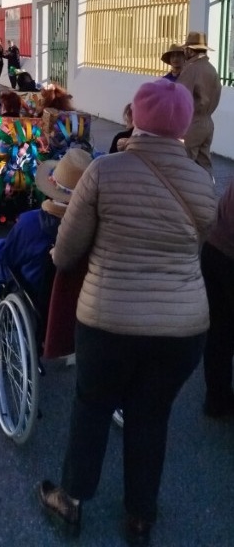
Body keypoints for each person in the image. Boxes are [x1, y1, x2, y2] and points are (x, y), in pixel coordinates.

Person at [36, 78, 217, 545]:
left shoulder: (104, 172)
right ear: (183, 126)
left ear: (135, 116)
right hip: (182, 328)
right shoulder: (203, 181)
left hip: (109, 320)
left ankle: (71, 499)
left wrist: (59, 257)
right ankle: (140, 516)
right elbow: (195, 246)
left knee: (93, 405)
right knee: (151, 416)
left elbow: (68, 250)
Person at [0, 149, 93, 325]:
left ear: (53, 185)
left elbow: (7, 255)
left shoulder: (31, 222)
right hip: (82, 305)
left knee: (6, 258)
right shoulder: (96, 227)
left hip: (37, 304)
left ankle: (0, 299)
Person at [200, 177, 234, 420]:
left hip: (215, 248)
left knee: (219, 333)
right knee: (221, 333)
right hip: (226, 257)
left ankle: (216, 400)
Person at [177, 31, 222, 174]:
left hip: (193, 123)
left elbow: (179, 97)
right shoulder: (212, 69)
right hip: (208, 122)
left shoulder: (191, 69)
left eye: (186, 49)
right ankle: (209, 188)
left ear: (190, 51)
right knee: (204, 164)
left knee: (184, 164)